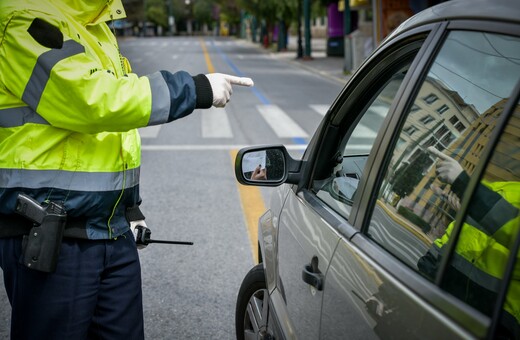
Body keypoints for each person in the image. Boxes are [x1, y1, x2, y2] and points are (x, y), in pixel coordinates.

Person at [0, 0, 253, 338]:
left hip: (109, 230)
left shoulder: (95, 24)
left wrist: (129, 208)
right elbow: (95, 101)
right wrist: (195, 88)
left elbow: (115, 135)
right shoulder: (25, 18)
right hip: (49, 235)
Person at [419, 147, 519, 338]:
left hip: (493, 324)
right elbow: (462, 231)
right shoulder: (503, 188)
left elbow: (511, 230)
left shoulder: (484, 191)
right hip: (443, 300)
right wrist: (430, 264)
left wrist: (464, 184)